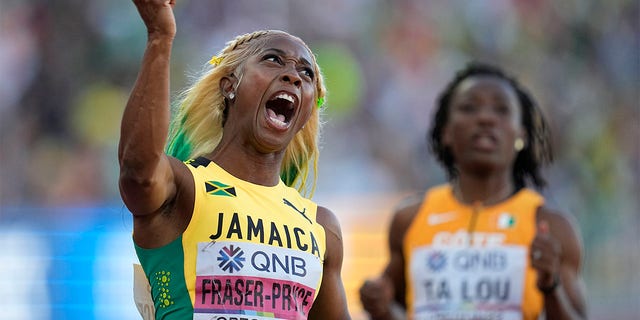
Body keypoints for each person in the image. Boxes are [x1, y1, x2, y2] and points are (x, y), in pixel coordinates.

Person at [118, 1, 351, 319]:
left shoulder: (321, 227)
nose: (293, 76)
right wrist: (160, 36)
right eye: (273, 59)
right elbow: (137, 173)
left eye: (306, 73)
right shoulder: (184, 188)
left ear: (309, 108)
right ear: (230, 84)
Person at [359, 62, 587, 320]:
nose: (485, 118)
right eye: (469, 108)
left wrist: (550, 286)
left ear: (521, 134)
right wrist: (378, 306)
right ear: (446, 132)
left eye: (501, 110)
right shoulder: (409, 220)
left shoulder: (551, 227)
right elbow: (391, 308)